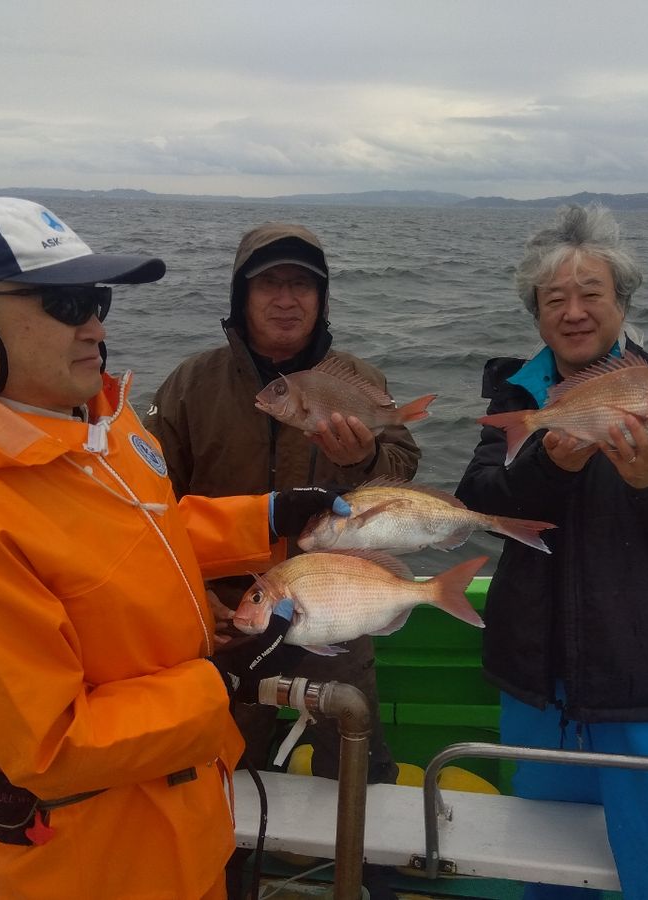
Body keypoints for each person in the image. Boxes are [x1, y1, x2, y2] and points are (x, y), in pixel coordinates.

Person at [0, 197, 344, 900]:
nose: (95, 324)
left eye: (98, 298)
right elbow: (53, 745)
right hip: (105, 858)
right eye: (67, 302)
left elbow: (143, 532)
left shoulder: (95, 421)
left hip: (192, 817)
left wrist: (270, 515)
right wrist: (217, 683)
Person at [455, 205, 648, 900]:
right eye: (554, 299)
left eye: (591, 294)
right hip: (538, 685)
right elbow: (481, 502)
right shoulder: (519, 397)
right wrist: (549, 469)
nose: (573, 312)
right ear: (536, 317)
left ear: (621, 305)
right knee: (552, 874)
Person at [144, 222, 417, 896]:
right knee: (219, 786)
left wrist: (368, 460)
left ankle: (368, 883)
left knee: (359, 775)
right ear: (241, 296)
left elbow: (404, 473)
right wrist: (189, 600)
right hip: (226, 621)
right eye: (269, 283)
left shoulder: (357, 380)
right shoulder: (190, 384)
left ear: (322, 298)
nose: (286, 298)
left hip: (338, 610)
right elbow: (147, 503)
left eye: (302, 284)